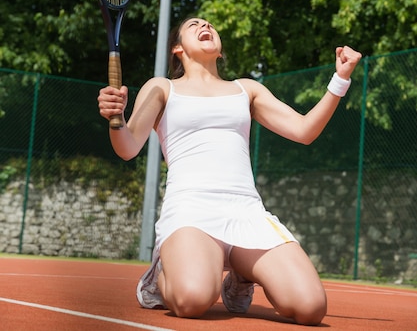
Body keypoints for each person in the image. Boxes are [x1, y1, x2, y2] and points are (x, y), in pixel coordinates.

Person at [98, 17, 362, 325]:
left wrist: (340, 79)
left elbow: (304, 131)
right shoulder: (162, 88)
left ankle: (240, 276)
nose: (205, 26)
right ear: (178, 49)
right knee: (192, 301)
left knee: (311, 307)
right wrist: (116, 116)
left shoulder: (246, 89)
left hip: (246, 212)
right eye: (194, 24)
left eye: (209, 24)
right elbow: (127, 148)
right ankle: (160, 277)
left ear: (220, 52)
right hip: (190, 213)